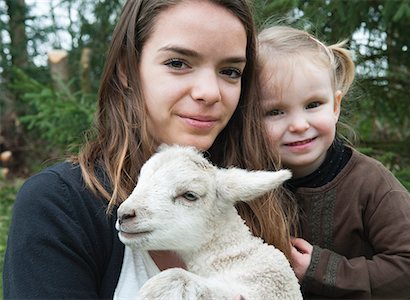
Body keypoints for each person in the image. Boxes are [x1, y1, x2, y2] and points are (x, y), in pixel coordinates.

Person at [3, 1, 298, 298]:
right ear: (126, 70)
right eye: (178, 63)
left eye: (231, 71)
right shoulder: (59, 206)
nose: (210, 92)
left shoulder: (265, 201)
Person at [257, 25, 410, 299]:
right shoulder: (249, 184)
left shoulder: (370, 182)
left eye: (313, 104)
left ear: (335, 106)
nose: (299, 125)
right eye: (275, 111)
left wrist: (322, 270)